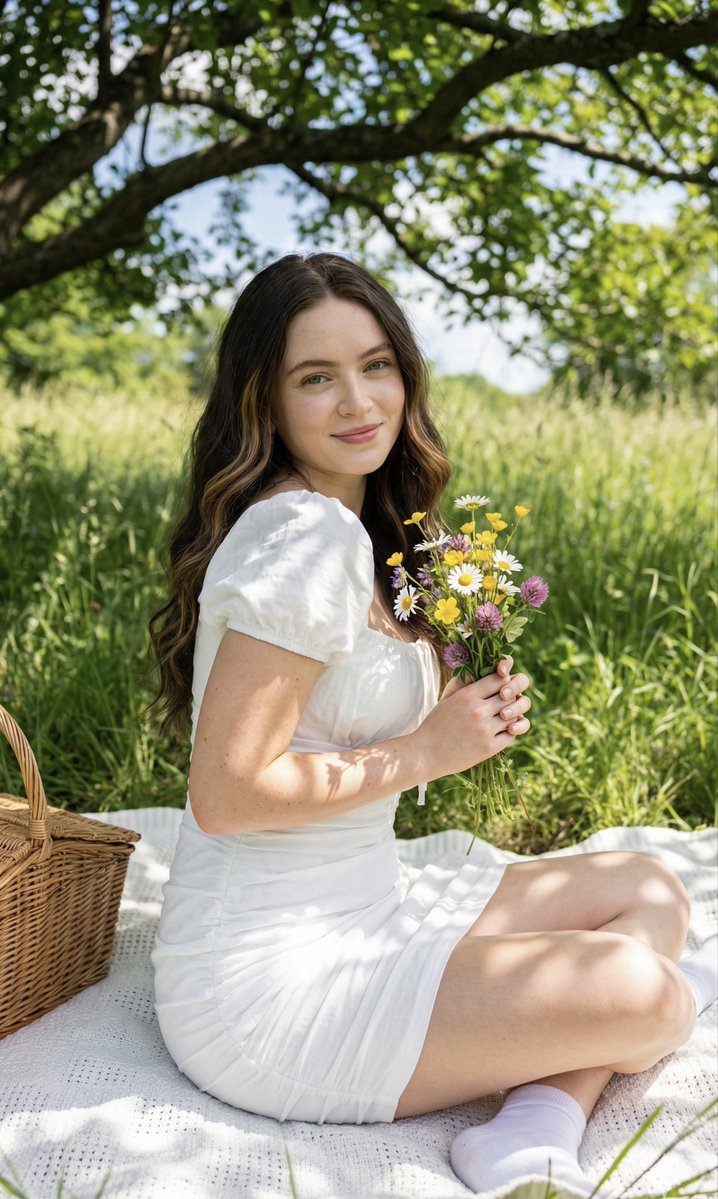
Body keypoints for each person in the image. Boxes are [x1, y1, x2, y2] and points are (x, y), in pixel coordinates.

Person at [149, 251, 717, 1196]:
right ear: (267, 401)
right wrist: (425, 751)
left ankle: (533, 1121)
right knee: (654, 993)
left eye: (377, 365)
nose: (358, 399)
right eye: (316, 377)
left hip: (367, 905)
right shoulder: (303, 536)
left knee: (649, 887)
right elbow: (227, 793)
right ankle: (568, 1068)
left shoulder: (358, 526)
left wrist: (458, 725)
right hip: (268, 984)